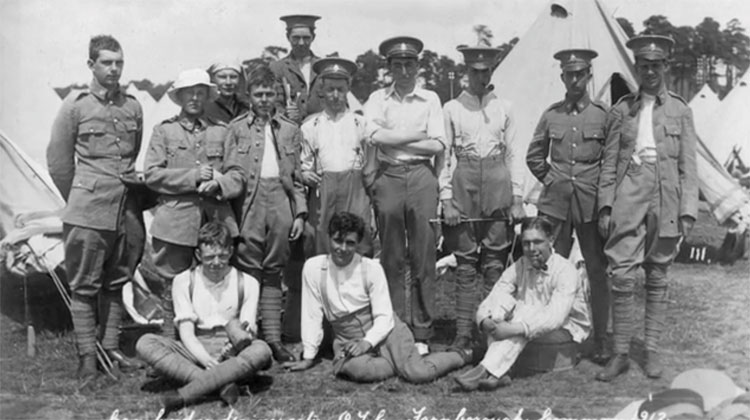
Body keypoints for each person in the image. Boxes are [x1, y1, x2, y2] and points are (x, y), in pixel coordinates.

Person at [596, 35, 698, 382]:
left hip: (666, 194)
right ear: (636, 68)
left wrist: (687, 211)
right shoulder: (621, 109)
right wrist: (606, 206)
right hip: (630, 190)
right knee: (621, 275)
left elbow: (689, 166)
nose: (650, 71)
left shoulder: (681, 110)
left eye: (656, 65)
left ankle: (651, 352)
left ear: (665, 67)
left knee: (657, 274)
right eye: (644, 65)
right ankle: (620, 353)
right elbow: (609, 164)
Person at [47, 34, 146, 381]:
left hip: (125, 209)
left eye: (119, 62)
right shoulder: (75, 106)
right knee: (85, 285)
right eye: (107, 62)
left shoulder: (132, 106)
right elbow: (59, 164)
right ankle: (88, 356)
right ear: (91, 65)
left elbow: (131, 155)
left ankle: (112, 346)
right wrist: (80, 196)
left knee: (118, 280)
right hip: (88, 209)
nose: (114, 69)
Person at [282, 212, 473, 383]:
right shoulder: (314, 268)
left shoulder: (370, 268)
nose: (342, 248)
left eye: (350, 243)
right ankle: (399, 362)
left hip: (386, 329)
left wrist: (367, 343)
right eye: (337, 241)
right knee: (360, 370)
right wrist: (308, 356)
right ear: (329, 238)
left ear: (358, 244)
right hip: (347, 337)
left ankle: (461, 355)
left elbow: (384, 316)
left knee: (418, 373)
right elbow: (311, 313)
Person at [526, 48, 610, 364]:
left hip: (590, 203)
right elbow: (534, 154)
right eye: (569, 74)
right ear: (562, 77)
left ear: (589, 76)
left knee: (597, 270)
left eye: (580, 74)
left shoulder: (603, 114)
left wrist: (604, 199)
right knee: (549, 269)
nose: (575, 79)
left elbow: (611, 160)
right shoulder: (552, 115)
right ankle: (551, 334)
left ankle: (601, 338)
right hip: (556, 204)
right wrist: (552, 180)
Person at [142, 68, 239, 339]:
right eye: (189, 93)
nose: (195, 98)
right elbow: (152, 174)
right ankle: (169, 345)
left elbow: (237, 175)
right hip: (176, 220)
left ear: (208, 96)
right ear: (180, 97)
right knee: (172, 285)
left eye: (200, 93)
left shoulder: (222, 131)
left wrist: (219, 184)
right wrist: (193, 176)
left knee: (216, 280)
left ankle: (214, 342)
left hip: (215, 219)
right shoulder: (164, 131)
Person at [136, 222, 272, 414]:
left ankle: (185, 394)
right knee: (145, 343)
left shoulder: (248, 282)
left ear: (231, 252)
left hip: (231, 351)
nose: (216, 262)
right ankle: (221, 384)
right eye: (209, 257)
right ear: (198, 255)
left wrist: (237, 342)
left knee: (262, 350)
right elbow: (186, 333)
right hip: (195, 349)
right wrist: (207, 360)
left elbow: (247, 329)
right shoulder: (184, 281)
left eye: (222, 256)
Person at [363, 36, 446, 354]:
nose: (404, 70)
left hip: (422, 176)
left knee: (424, 256)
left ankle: (423, 331)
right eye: (397, 65)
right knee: (392, 256)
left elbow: (437, 144)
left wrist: (393, 140)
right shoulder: (377, 99)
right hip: (390, 177)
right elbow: (373, 136)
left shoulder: (430, 99)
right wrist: (415, 136)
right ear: (389, 68)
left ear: (417, 66)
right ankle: (395, 326)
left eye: (409, 64)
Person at [440, 46, 525, 350]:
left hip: (497, 180)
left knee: (493, 262)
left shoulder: (505, 107)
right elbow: (445, 156)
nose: (481, 76)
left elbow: (514, 154)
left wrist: (517, 198)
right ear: (466, 71)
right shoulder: (451, 108)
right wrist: (447, 199)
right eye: (475, 71)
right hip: (464, 178)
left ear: (492, 71)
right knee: (464, 263)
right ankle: (463, 331)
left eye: (486, 71)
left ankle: (489, 328)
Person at [220, 65, 307, 363]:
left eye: (270, 94)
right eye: (258, 94)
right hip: (249, 202)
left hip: (280, 200)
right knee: (247, 268)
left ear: (277, 96)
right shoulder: (235, 128)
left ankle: (273, 338)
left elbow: (296, 177)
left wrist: (299, 213)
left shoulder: (290, 129)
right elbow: (229, 173)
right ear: (249, 95)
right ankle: (245, 336)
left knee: (274, 269)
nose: (264, 99)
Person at [454, 217, 591, 391]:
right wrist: (485, 319)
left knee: (523, 313)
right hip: (530, 320)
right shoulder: (521, 264)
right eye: (526, 243)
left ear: (551, 240)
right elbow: (497, 293)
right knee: (500, 308)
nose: (531, 249)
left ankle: (485, 369)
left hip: (566, 329)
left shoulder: (566, 270)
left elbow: (554, 317)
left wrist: (514, 328)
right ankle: (500, 372)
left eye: (537, 242)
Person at [300, 57, 373, 256]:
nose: (335, 95)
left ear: (348, 89)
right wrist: (306, 174)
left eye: (340, 89)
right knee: (323, 238)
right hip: (324, 189)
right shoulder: (310, 126)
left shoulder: (361, 123)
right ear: (321, 91)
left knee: (359, 236)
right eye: (330, 89)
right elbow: (304, 164)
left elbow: (371, 160)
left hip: (354, 187)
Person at [269, 14, 323, 124]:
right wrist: (286, 114)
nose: (301, 43)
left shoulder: (323, 67)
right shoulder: (277, 68)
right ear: (287, 37)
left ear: (314, 37)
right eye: (296, 38)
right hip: (289, 129)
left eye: (306, 38)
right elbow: (274, 103)